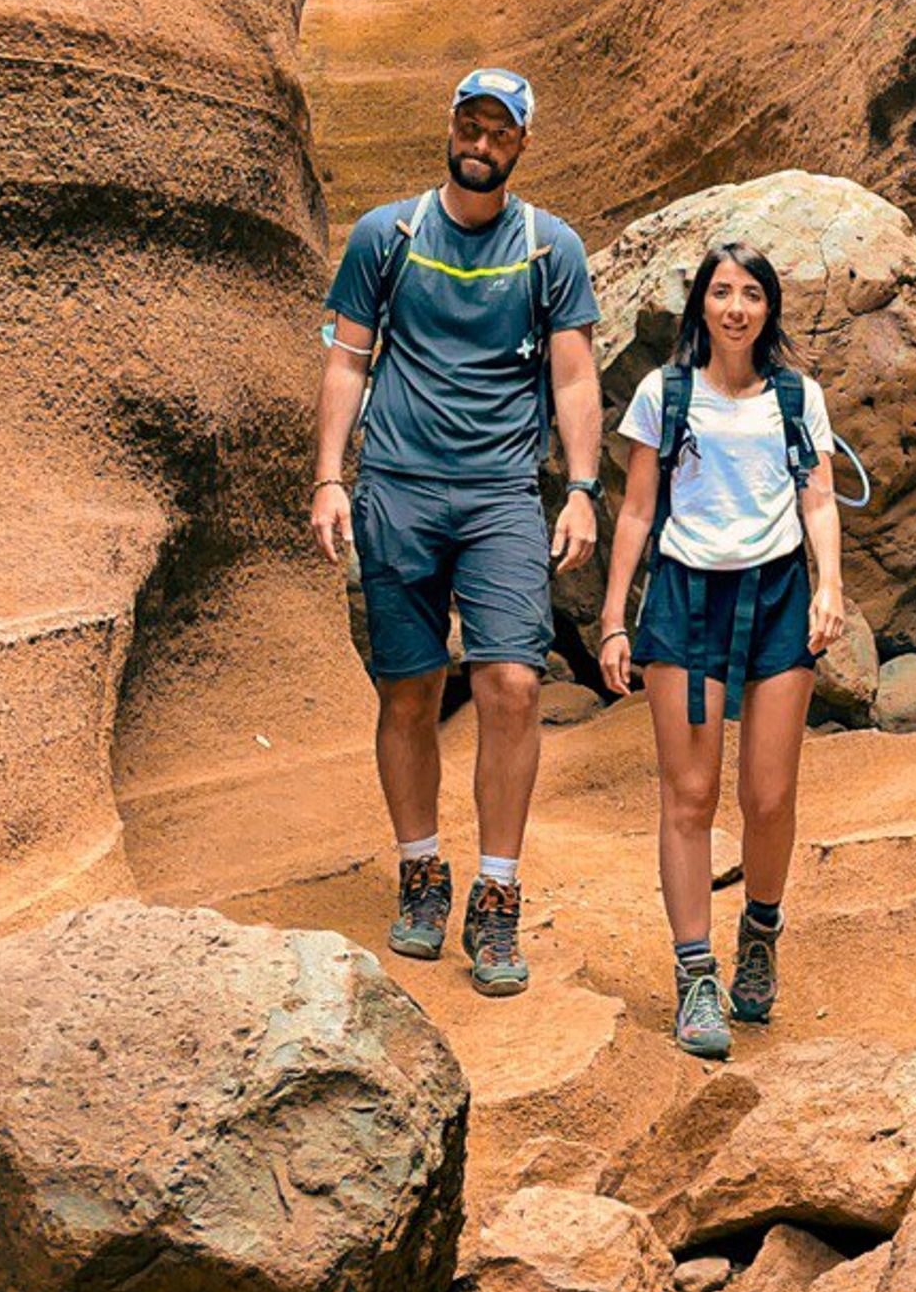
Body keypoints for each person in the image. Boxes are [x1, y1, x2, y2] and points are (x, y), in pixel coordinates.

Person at [310, 67, 603, 998]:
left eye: (500, 131)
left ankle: (498, 894)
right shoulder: (385, 236)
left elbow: (573, 378)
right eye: (470, 124)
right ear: (451, 127)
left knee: (513, 681)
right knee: (408, 687)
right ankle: (422, 870)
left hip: (500, 496)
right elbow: (350, 360)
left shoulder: (549, 249)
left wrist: (584, 488)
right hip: (395, 485)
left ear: (520, 145)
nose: (481, 141)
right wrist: (328, 477)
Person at [598, 243, 846, 1058]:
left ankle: (761, 935)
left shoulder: (795, 397)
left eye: (750, 294)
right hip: (685, 594)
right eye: (720, 292)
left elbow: (816, 497)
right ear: (699, 305)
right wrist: (613, 617)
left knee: (769, 795)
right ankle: (695, 973)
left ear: (769, 308)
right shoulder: (663, 394)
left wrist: (828, 584)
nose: (735, 307)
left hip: (773, 596)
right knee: (690, 792)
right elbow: (636, 511)